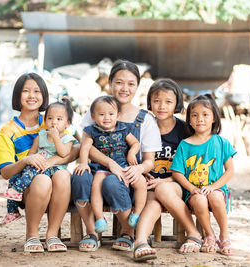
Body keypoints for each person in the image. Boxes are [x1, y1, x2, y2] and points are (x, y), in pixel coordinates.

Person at [71, 59, 162, 252]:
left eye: (131, 84)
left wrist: (137, 169)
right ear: (110, 82)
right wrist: (110, 163)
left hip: (127, 174)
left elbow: (149, 162)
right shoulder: (97, 109)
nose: (124, 88)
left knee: (112, 182)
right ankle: (92, 232)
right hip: (99, 169)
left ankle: (128, 232)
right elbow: (86, 144)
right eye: (119, 82)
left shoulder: (145, 119)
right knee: (79, 178)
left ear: (137, 86)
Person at [0, 73, 79, 253]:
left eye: (37, 91)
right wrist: (26, 160)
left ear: (44, 96)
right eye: (26, 91)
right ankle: (32, 235)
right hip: (28, 186)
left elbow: (75, 148)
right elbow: (5, 172)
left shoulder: (53, 119)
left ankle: (52, 234)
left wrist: (52, 161)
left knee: (64, 175)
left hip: (57, 183)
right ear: (17, 95)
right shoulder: (7, 131)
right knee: (42, 180)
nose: (31, 95)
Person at [132, 79, 203, 262]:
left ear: (177, 104)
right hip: (149, 184)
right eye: (156, 101)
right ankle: (140, 243)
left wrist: (166, 181)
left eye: (168, 102)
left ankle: (193, 232)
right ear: (150, 102)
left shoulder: (184, 130)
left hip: (176, 183)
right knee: (153, 202)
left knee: (163, 190)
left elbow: (192, 166)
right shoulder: (145, 126)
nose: (162, 106)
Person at [170, 94, 236, 256]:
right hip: (194, 192)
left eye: (205, 114)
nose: (200, 119)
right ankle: (209, 234)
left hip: (217, 189)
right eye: (195, 115)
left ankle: (224, 234)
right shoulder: (185, 145)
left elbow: (230, 171)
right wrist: (192, 189)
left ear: (214, 118)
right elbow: (177, 172)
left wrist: (213, 187)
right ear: (189, 120)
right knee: (200, 199)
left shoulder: (221, 142)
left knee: (214, 197)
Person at [74, 95, 146, 234]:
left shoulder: (123, 129)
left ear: (118, 115)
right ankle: (100, 218)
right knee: (96, 186)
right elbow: (85, 147)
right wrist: (83, 163)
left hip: (123, 165)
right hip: (101, 168)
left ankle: (136, 213)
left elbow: (136, 143)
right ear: (93, 116)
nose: (106, 117)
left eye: (111, 114)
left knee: (141, 182)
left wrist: (131, 153)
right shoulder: (91, 131)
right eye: (101, 114)